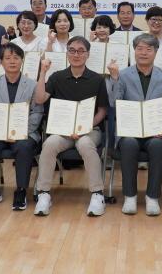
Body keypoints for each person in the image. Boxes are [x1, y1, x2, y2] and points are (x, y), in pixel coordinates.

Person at [34, 36, 109, 216]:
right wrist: (42, 72)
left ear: (88, 54)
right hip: (63, 130)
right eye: (72, 50)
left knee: (85, 144)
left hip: (90, 130)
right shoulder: (57, 77)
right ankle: (43, 193)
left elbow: (102, 111)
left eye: (81, 51)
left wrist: (85, 127)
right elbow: (39, 99)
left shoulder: (97, 79)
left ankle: (97, 194)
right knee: (50, 144)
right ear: (67, 54)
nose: (76, 54)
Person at [107, 34, 162, 215]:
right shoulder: (122, 75)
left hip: (157, 132)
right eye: (139, 48)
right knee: (129, 143)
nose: (143, 53)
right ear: (134, 51)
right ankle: (130, 196)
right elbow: (114, 104)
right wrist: (114, 79)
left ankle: (152, 197)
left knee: (157, 145)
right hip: (130, 130)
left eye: (148, 49)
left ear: (156, 52)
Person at [0, 43, 44, 211]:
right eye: (7, 58)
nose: (12, 61)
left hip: (25, 134)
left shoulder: (32, 84)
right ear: (1, 62)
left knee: (24, 146)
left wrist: (20, 132)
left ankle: (21, 190)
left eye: (16, 58)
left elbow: (37, 113)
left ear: (22, 61)